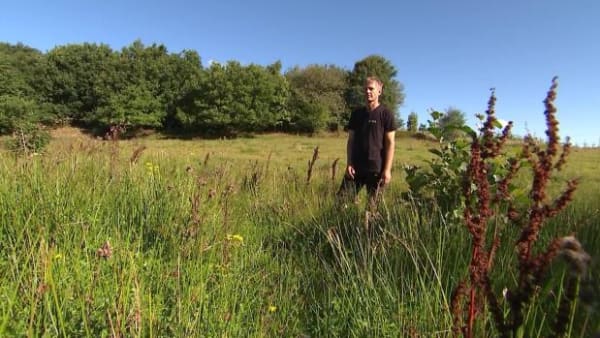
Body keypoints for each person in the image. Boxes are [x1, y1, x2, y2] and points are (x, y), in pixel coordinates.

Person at [337, 76, 397, 209]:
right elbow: (351, 141)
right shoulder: (357, 114)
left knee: (372, 208)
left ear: (379, 91)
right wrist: (349, 163)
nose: (368, 91)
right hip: (355, 168)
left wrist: (387, 170)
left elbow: (390, 143)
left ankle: (368, 229)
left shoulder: (386, 114)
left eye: (371, 89)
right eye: (365, 89)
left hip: (376, 169)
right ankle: (342, 227)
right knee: (341, 202)